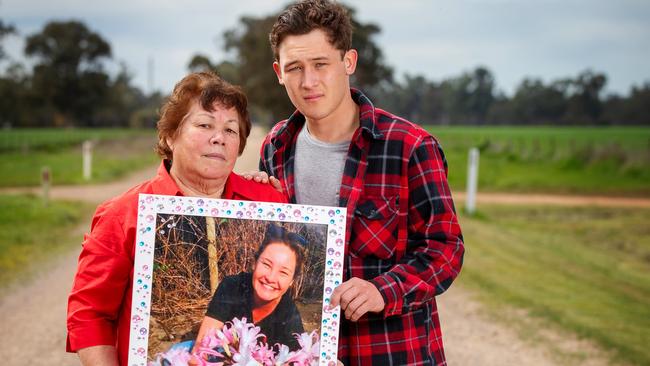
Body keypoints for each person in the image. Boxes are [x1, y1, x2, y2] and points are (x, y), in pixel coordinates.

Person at [257, 1, 465, 364]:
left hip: (389, 353)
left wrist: (383, 290)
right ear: (278, 72)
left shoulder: (410, 146)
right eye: (295, 68)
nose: (308, 81)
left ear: (348, 62)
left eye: (321, 64)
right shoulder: (275, 148)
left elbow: (445, 249)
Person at [66, 72, 286, 366]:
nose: (219, 138)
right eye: (205, 125)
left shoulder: (270, 203)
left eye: (231, 130)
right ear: (170, 136)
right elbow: (90, 314)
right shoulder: (126, 214)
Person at [192, 224, 305, 359]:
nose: (271, 278)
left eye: (283, 272)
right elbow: (200, 351)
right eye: (266, 264)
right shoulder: (232, 286)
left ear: (292, 281)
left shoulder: (290, 316)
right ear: (254, 263)